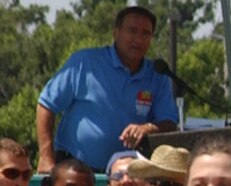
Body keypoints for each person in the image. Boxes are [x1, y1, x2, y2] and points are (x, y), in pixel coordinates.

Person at [35, 6, 179, 171]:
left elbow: (169, 122)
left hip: (126, 176)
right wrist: (46, 157)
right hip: (74, 170)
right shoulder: (85, 63)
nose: (138, 39)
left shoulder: (157, 75)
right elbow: (46, 104)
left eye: (145, 33)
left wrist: (148, 128)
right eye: (132, 31)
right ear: (116, 32)